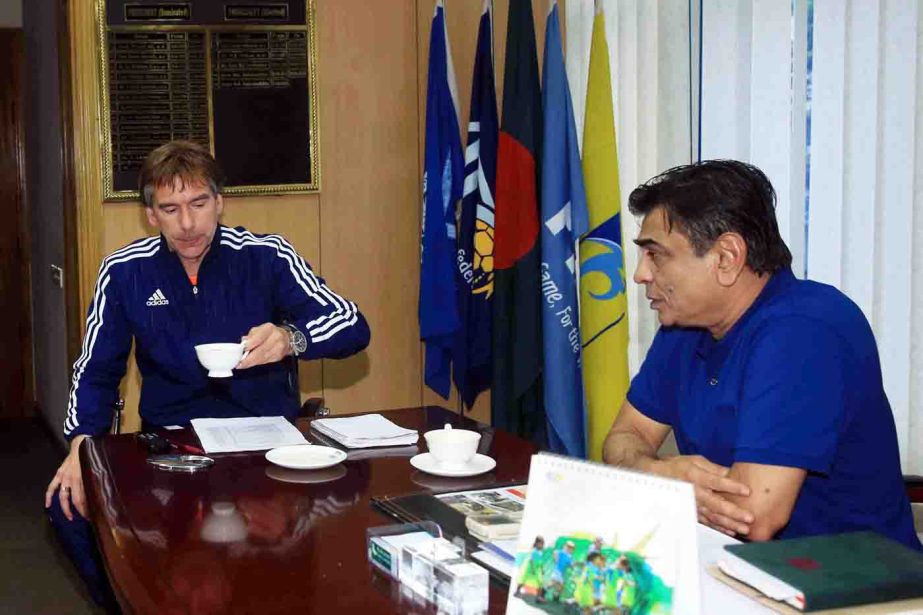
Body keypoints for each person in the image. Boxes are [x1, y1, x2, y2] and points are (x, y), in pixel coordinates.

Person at [43, 140, 371, 609]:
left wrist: (291, 337)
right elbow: (95, 370)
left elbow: (352, 324)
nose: (188, 223)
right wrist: (81, 445)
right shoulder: (125, 272)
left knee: (333, 512)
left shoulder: (267, 256)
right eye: (170, 208)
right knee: (67, 504)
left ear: (220, 201)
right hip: (170, 450)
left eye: (199, 204)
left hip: (265, 449)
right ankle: (131, 603)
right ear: (150, 215)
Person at [603, 160, 921, 551]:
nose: (639, 275)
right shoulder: (684, 324)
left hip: (853, 593)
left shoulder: (806, 330)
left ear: (726, 257)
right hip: (735, 568)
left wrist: (652, 481)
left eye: (656, 255)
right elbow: (623, 438)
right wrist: (656, 472)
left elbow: (754, 517)